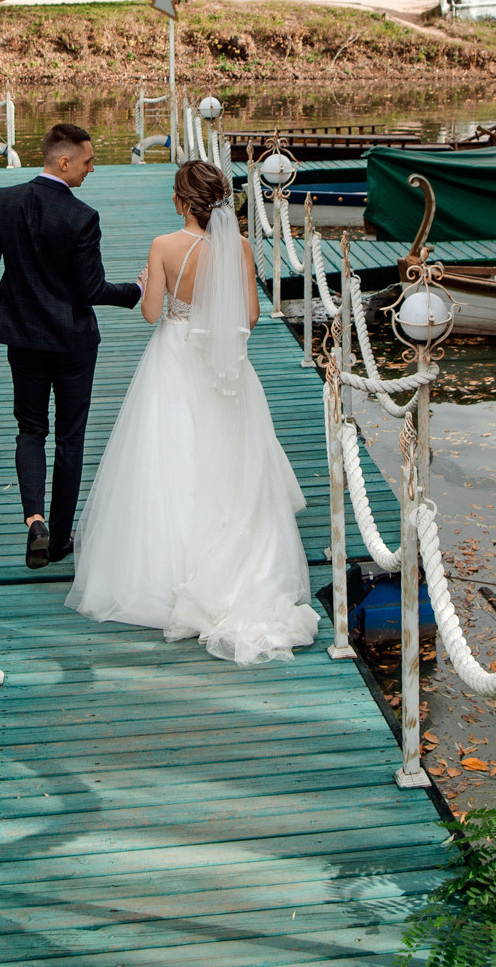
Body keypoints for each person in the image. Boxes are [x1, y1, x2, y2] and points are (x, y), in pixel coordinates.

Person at [66, 160, 322, 665]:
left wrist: (146, 281)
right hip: (224, 365)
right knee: (228, 455)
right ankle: (237, 562)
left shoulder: (164, 246)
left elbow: (150, 312)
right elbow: (248, 315)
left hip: (176, 355)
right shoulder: (241, 248)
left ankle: (165, 569)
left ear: (182, 201)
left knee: (171, 456)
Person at [0, 122, 142, 570]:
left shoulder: (2, 201)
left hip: (22, 341)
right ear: (63, 162)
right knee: (70, 438)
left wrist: (6, 317)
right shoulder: (81, 217)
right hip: (72, 344)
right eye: (87, 161)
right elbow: (92, 289)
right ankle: (61, 539)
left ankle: (35, 522)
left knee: (30, 431)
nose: (91, 169)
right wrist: (136, 292)